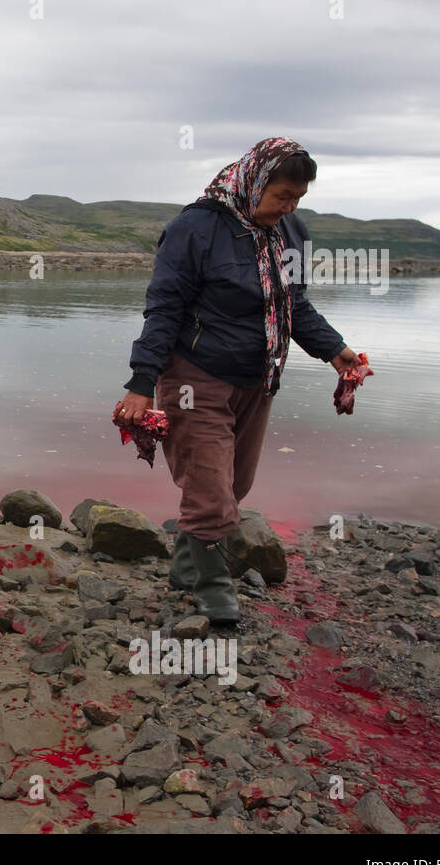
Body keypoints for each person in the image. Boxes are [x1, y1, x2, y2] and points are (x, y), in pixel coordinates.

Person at [116, 137, 363, 625]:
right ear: (255, 180)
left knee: (235, 483)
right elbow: (164, 309)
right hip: (195, 376)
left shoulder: (291, 230)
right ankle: (214, 592)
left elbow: (294, 305)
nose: (289, 207)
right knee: (209, 490)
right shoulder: (196, 228)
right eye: (282, 196)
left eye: (297, 199)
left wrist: (335, 351)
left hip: (258, 376)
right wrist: (142, 381)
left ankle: (185, 567)